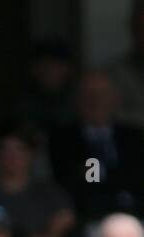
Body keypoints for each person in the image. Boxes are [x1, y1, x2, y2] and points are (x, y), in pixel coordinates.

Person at [49, 72, 144, 224]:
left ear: (115, 99)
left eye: (102, 94)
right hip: (86, 220)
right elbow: (77, 182)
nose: (96, 101)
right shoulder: (61, 140)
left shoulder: (136, 137)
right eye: (88, 95)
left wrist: (104, 174)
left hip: (136, 216)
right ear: (77, 100)